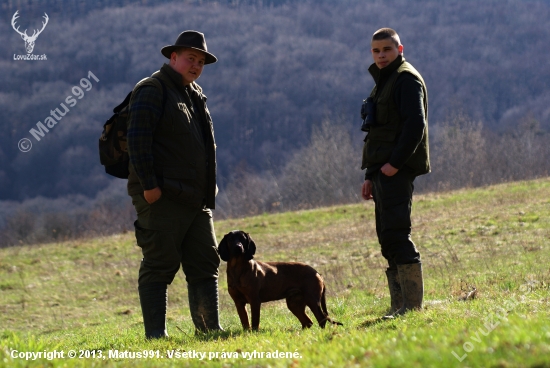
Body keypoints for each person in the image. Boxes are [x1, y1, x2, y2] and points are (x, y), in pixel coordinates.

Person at [126, 30, 222, 338]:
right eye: (190, 58)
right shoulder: (152, 89)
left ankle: (208, 330)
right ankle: (156, 336)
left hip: (195, 198)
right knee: (159, 264)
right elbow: (137, 141)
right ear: (174, 58)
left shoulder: (194, 93)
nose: (195, 65)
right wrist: (149, 186)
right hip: (162, 196)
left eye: (201, 61)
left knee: (205, 263)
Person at [360, 28, 430, 319]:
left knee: (398, 233)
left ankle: (411, 307)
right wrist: (370, 174)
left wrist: (396, 164)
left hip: (396, 171)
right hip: (383, 171)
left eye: (386, 50)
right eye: (376, 51)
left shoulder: (406, 79)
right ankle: (398, 305)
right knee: (386, 236)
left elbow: (416, 124)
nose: (381, 56)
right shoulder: (384, 82)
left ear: (399, 50)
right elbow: (378, 131)